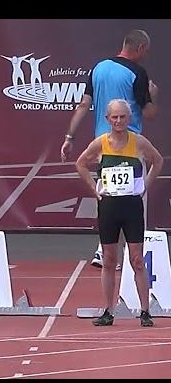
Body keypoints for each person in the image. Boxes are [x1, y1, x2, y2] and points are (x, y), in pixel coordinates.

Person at [61, 29, 158, 269]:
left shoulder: (98, 68)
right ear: (140, 48)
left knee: (105, 197)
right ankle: (134, 253)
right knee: (134, 199)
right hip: (130, 143)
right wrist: (154, 95)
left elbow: (84, 104)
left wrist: (69, 136)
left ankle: (102, 251)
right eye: (146, 51)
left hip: (102, 144)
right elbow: (148, 111)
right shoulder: (138, 73)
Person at [75, 99, 163, 327]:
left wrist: (145, 185)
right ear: (107, 119)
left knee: (137, 260)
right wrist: (94, 189)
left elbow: (158, 161)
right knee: (109, 260)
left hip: (132, 206)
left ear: (129, 118)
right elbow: (81, 163)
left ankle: (145, 311)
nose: (118, 121)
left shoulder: (139, 142)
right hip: (109, 206)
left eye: (122, 117)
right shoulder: (100, 143)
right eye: (114, 117)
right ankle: (108, 311)